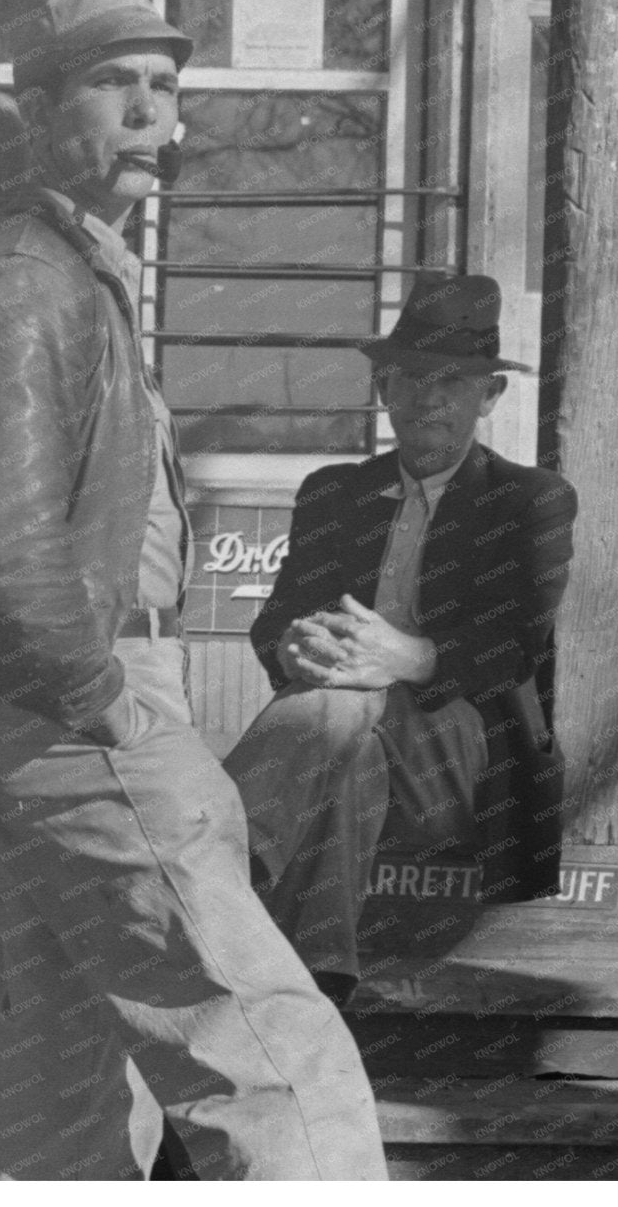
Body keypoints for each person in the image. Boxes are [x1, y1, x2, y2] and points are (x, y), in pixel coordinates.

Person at [0, 0, 387, 1180]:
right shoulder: (29, 283)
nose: (144, 113)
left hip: (46, 707)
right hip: (74, 704)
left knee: (64, 1073)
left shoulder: (76, 270)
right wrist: (106, 698)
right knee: (270, 1058)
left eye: (162, 87)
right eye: (110, 84)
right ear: (36, 113)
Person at [223, 275, 578, 1004]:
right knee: (345, 728)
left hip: (463, 758)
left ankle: (215, 863)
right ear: (384, 387)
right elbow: (275, 622)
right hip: (352, 743)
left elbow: (512, 648)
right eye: (412, 377)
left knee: (339, 707)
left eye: (455, 380)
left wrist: (405, 656)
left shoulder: (530, 501)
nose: (430, 398)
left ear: (490, 396)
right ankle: (323, 974)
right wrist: (292, 646)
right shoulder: (333, 492)